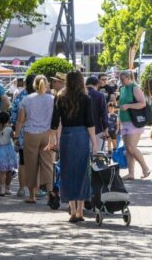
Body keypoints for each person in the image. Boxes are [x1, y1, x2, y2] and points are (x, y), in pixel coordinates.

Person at [49, 71, 97, 223]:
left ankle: (72, 210)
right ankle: (80, 211)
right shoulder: (85, 98)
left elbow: (54, 121)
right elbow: (90, 122)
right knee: (83, 171)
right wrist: (94, 143)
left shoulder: (60, 97)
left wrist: (53, 139)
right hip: (82, 135)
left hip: (67, 136)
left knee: (67, 171)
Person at [15, 75, 54, 203]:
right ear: (46, 84)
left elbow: (21, 120)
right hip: (47, 134)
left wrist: (16, 135)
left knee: (31, 165)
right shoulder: (52, 99)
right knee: (47, 165)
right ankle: (50, 194)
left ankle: (32, 196)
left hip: (30, 134)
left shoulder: (26, 99)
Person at [118, 71, 151, 178]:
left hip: (134, 122)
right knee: (127, 149)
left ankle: (145, 168)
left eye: (122, 79)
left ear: (128, 78)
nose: (121, 81)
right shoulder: (123, 89)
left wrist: (128, 106)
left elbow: (142, 103)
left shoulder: (135, 87)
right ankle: (131, 173)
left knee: (131, 147)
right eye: (120, 79)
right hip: (124, 121)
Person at [11, 74, 34, 197]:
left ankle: (21, 188)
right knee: (36, 163)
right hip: (38, 133)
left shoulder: (19, 97)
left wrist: (16, 133)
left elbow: (14, 117)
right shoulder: (41, 97)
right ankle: (35, 190)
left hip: (22, 134)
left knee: (23, 162)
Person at [0, 112, 18, 196]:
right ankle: (8, 188)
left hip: (0, 151)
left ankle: (2, 189)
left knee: (2, 172)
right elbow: (14, 139)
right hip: (9, 151)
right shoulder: (9, 129)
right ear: (8, 120)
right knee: (9, 171)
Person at [86, 76, 109, 153]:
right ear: (96, 85)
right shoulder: (99, 95)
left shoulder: (81, 94)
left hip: (83, 131)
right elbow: (104, 113)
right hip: (97, 130)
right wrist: (106, 129)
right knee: (98, 156)